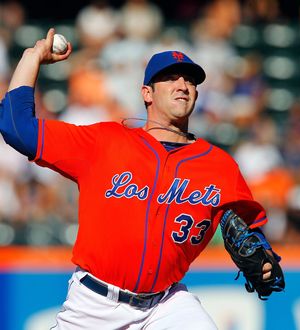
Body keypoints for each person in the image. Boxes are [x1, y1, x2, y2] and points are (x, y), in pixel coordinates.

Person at [0, 28, 278, 329]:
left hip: (166, 304)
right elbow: (17, 127)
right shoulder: (104, 142)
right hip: (95, 303)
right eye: (170, 78)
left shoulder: (219, 165)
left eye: (190, 80)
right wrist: (32, 57)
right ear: (147, 93)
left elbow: (250, 226)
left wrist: (263, 256)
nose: (183, 84)